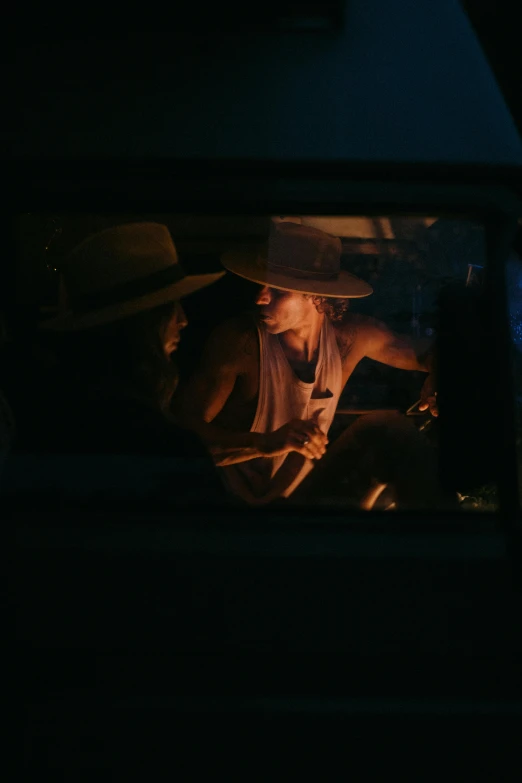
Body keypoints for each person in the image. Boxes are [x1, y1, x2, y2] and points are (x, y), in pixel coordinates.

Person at [177, 220, 446, 509]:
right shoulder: (239, 343)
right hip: (229, 506)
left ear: (316, 295)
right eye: (261, 283)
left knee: (388, 431)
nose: (260, 298)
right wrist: (263, 443)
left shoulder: (350, 338)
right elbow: (180, 440)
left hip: (301, 502)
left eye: (278, 290)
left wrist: (440, 374)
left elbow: (432, 354)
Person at [1, 222, 227, 512]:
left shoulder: (44, 420)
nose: (183, 320)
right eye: (171, 305)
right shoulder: (162, 448)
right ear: (143, 325)